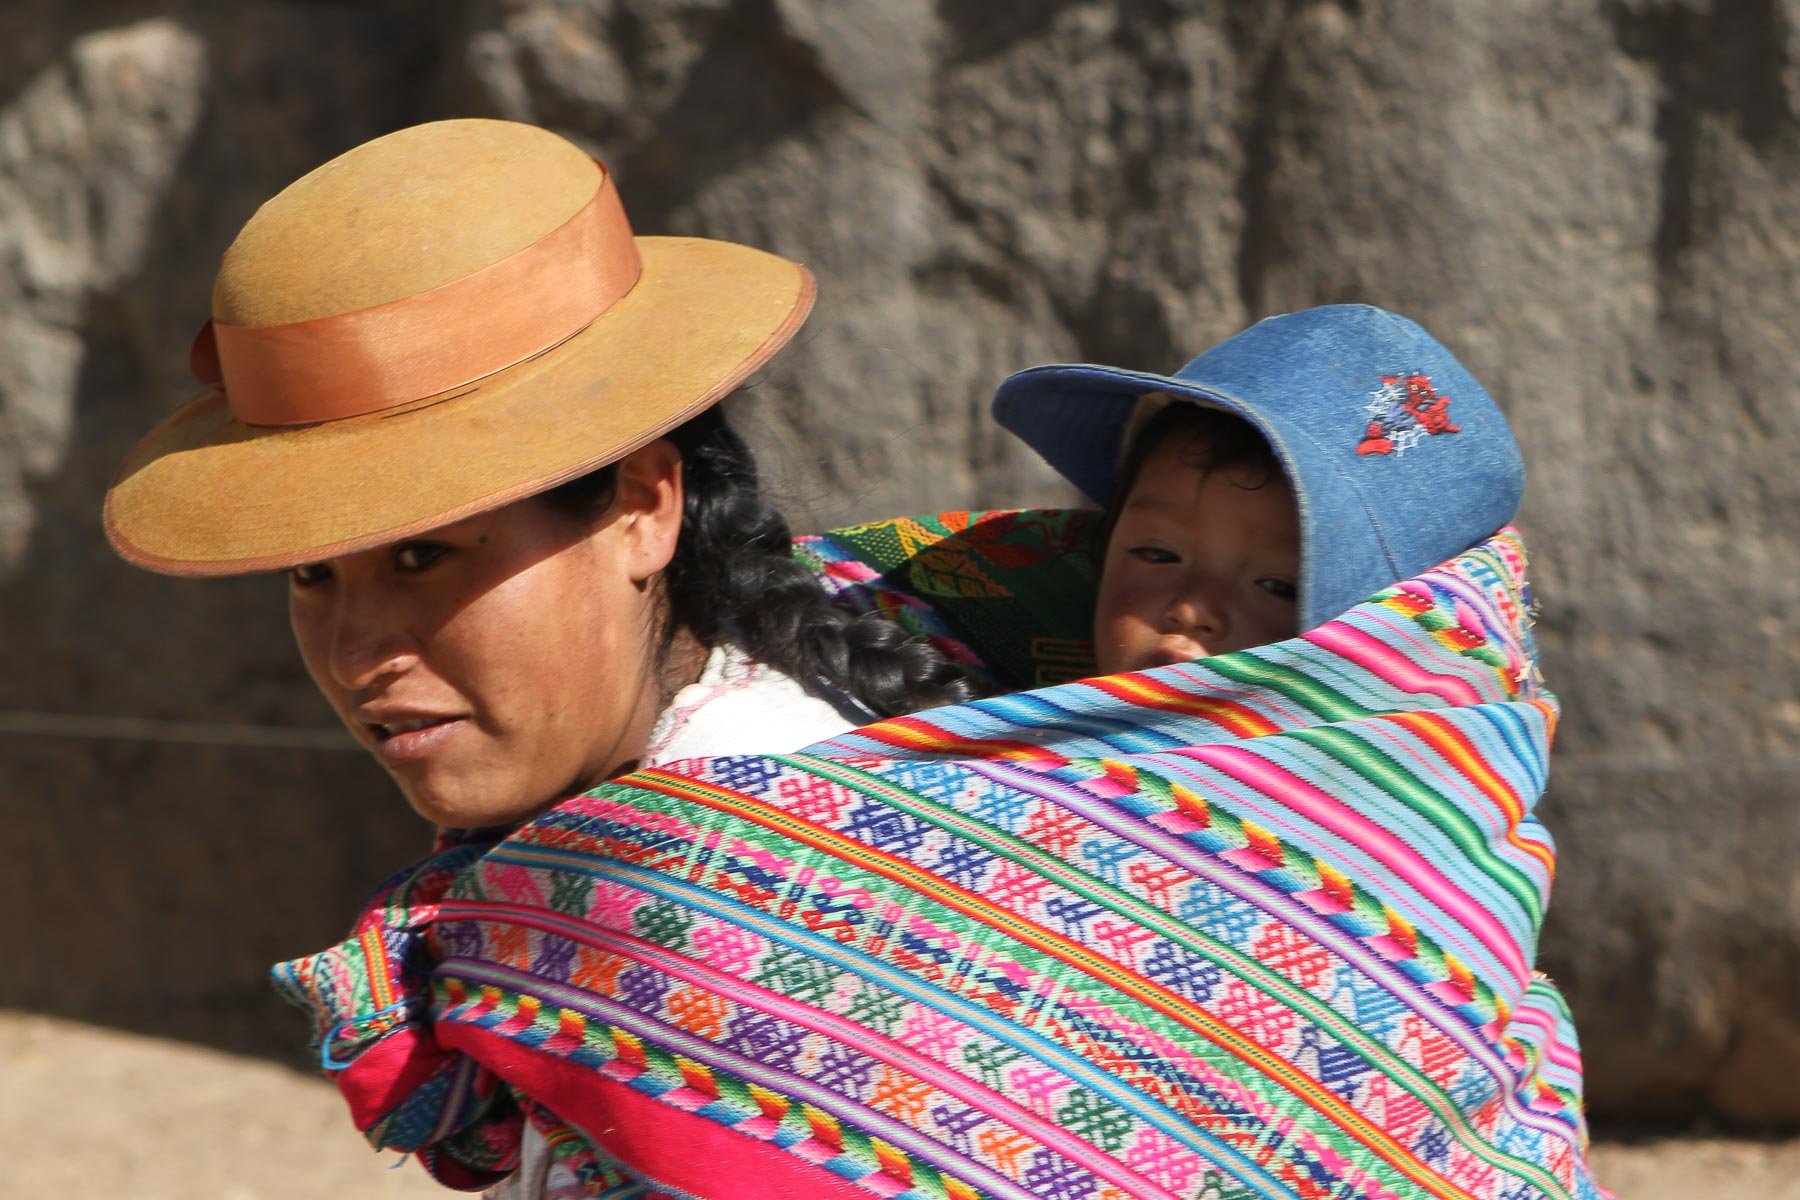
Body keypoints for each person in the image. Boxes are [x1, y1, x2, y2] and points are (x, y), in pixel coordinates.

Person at [102, 117, 967, 1197]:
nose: (358, 652)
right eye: (312, 574)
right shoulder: (624, 819)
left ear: (644, 509)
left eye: (423, 554)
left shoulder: (723, 917)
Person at [989, 304, 1528, 675]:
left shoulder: (1404, 831)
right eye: (1156, 553)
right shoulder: (961, 716)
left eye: (1280, 587)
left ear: (1392, 636)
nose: (1192, 610)